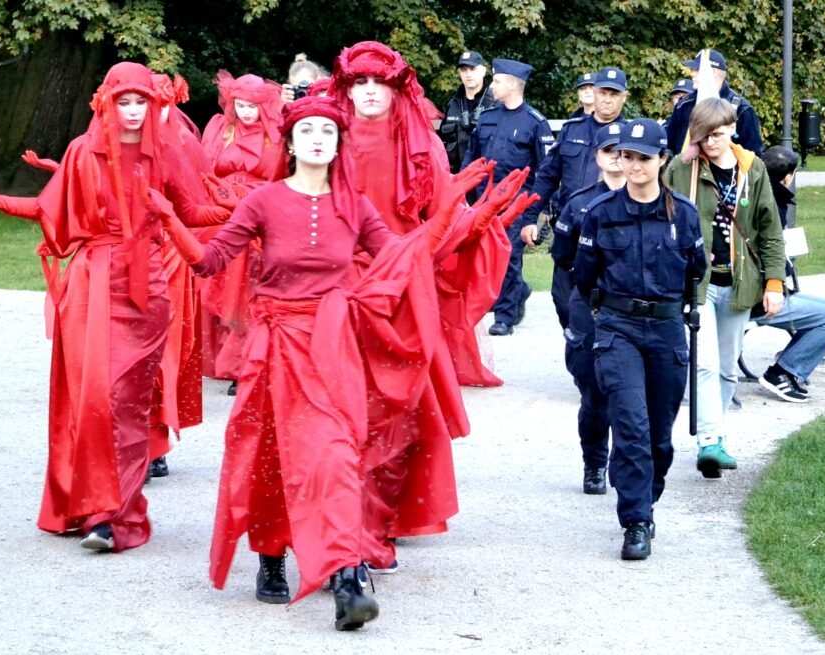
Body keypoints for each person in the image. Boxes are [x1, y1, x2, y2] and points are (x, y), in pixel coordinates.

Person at [155, 96, 530, 629]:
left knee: (336, 454)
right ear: (288, 142)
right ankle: (270, 554)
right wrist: (170, 219)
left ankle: (348, 575)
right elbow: (210, 261)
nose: (316, 139)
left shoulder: (355, 206)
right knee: (271, 455)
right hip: (274, 348)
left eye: (326, 133)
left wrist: (458, 211)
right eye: (306, 130)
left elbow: (402, 256)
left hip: (333, 347)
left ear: (337, 146)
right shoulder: (263, 201)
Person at [0, 62, 224, 552]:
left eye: (142, 102)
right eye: (125, 102)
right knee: (93, 399)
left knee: (127, 404)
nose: (134, 111)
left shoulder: (166, 154)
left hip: (147, 289)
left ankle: (116, 515)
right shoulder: (82, 153)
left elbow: (193, 212)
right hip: (93, 285)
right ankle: (96, 511)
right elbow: (46, 208)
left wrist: (244, 207)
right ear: (107, 104)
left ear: (153, 105)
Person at [327, 41, 519, 570]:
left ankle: (383, 516)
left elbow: (443, 220)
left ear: (395, 89)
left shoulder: (423, 145)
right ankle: (347, 523)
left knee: (401, 407)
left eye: (379, 83)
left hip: (404, 287)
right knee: (340, 405)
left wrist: (483, 220)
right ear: (346, 88)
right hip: (337, 287)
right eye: (358, 83)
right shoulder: (325, 137)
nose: (369, 92)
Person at [572, 118, 707, 560]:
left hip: (667, 330)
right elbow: (585, 275)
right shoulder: (600, 213)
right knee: (630, 426)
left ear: (662, 160)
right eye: (625, 156)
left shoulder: (684, 215)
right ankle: (636, 520)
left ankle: (646, 495)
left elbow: (696, 271)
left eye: (642, 158)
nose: (631, 165)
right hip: (618, 328)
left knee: (658, 439)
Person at [665, 97, 785, 478]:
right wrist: (680, 160)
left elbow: (770, 231)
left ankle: (715, 436)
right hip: (698, 285)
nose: (710, 143)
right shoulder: (683, 168)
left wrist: (774, 282)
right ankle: (709, 442)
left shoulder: (753, 169)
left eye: (716, 135)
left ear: (732, 128)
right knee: (704, 364)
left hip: (738, 282)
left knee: (728, 368)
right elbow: (656, 200)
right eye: (702, 136)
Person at [518, 66, 630, 329]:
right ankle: (580, 347)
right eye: (603, 92)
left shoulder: (631, 136)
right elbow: (546, 177)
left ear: (624, 97)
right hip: (572, 231)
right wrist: (530, 217)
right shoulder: (571, 130)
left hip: (615, 230)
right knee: (564, 300)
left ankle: (603, 357)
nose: (607, 99)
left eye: (614, 94)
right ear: (594, 92)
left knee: (609, 303)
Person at [199, 72, 286, 391]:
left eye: (252, 105)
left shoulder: (275, 133)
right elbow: (204, 169)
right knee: (218, 286)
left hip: (257, 213)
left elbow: (280, 177)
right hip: (220, 213)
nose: (246, 111)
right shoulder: (221, 129)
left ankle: (245, 361)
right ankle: (225, 359)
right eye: (240, 105)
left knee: (248, 287)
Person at [551, 122, 625, 494]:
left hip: (629, 311)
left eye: (621, 149)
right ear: (596, 155)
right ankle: (594, 462)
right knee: (594, 396)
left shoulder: (650, 199)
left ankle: (624, 467)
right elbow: (563, 257)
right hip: (590, 306)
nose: (615, 157)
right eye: (608, 150)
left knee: (629, 396)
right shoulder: (580, 202)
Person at [463, 57, 555, 336]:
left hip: (515, 203)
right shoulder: (489, 118)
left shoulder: (535, 123)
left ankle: (504, 316)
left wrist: (534, 214)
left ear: (514, 85)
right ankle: (518, 291)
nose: (493, 86)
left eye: (498, 81)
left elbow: (546, 170)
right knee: (485, 255)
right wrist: (464, 193)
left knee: (509, 256)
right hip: (484, 201)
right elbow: (473, 158)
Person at [752, 145, 825, 403]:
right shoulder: (773, 201)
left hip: (764, 288)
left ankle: (790, 362)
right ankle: (783, 372)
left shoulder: (755, 191)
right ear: (788, 177)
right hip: (759, 296)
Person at [666, 49, 764, 156]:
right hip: (685, 170)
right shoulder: (684, 105)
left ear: (712, 72)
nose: (692, 73)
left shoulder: (742, 109)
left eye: (697, 69)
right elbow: (670, 146)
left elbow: (752, 154)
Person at [438, 50, 497, 174]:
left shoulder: (496, 104)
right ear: (459, 73)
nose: (468, 74)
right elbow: (441, 146)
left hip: (487, 178)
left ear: (483, 71)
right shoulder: (452, 104)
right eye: (464, 70)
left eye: (473, 69)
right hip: (456, 177)